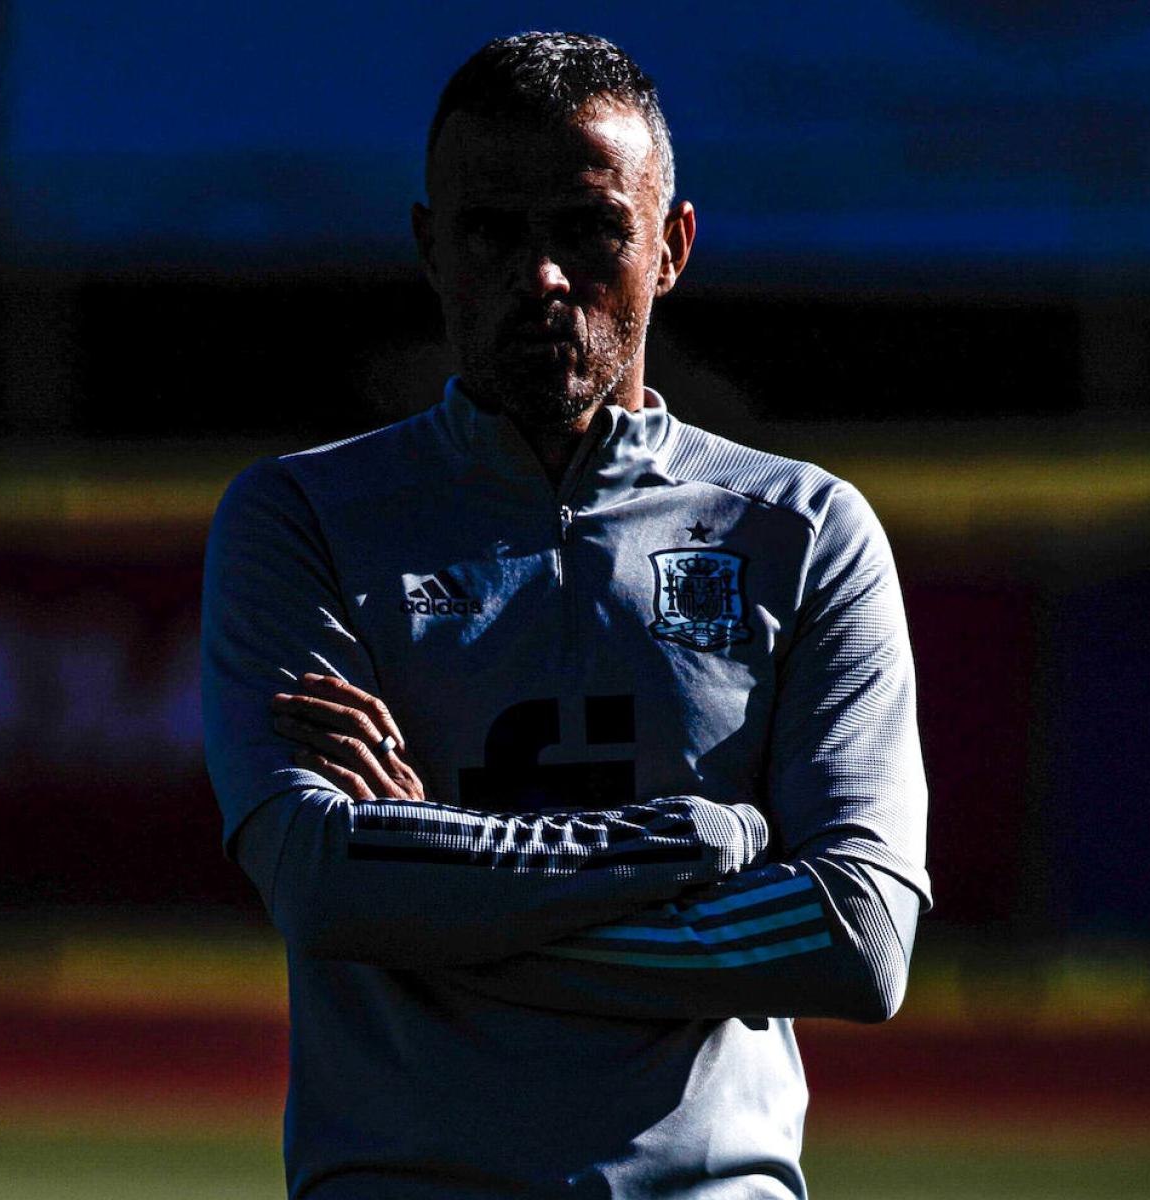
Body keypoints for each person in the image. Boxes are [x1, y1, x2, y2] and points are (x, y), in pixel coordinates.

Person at [201, 31, 930, 1200]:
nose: (542, 275)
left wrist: (436, 893)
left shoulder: (804, 531)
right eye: (492, 231)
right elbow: (326, 883)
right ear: (431, 248)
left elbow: (858, 936)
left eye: (590, 229)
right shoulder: (304, 519)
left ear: (670, 246)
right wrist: (687, 842)